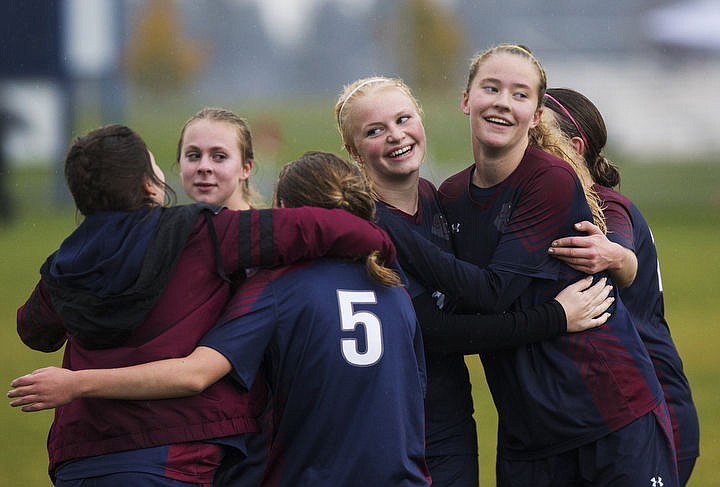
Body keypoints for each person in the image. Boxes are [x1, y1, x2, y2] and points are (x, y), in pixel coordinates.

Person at [11, 151, 433, 487]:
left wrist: (75, 383)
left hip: (302, 476)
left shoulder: (273, 288)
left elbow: (196, 373)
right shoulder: (395, 291)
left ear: (283, 209)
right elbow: (417, 395)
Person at [387, 44, 678, 486]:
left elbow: (494, 291)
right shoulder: (448, 197)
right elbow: (453, 321)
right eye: (491, 88)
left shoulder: (550, 180)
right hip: (527, 433)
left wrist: (387, 226)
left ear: (536, 115)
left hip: (608, 416)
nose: (503, 101)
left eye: (520, 94)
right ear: (466, 100)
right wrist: (557, 317)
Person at [333, 75, 614, 486]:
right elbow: (435, 331)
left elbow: (473, 291)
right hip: (385, 427)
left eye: (403, 119)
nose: (396, 136)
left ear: (420, 120)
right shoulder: (364, 228)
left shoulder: (435, 198)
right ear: (354, 152)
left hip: (448, 422)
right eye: (375, 131)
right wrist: (554, 317)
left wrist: (622, 258)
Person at [543, 87, 700, 485]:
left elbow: (621, 256)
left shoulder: (604, 204)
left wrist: (613, 257)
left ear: (575, 147)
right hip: (601, 410)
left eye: (538, 136)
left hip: (655, 405)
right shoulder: (547, 204)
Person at [176, 106, 261, 210]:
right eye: (194, 156)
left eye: (219, 157)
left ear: (245, 169)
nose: (203, 167)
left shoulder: (265, 226)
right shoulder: (168, 225)